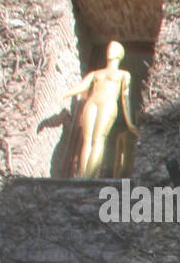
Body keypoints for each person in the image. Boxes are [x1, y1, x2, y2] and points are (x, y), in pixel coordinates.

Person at [59, 40, 138, 179]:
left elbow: (125, 98)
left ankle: (89, 176)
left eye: (114, 48)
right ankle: (83, 174)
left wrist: (129, 122)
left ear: (120, 54)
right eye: (109, 48)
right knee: (87, 139)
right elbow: (83, 86)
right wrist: (65, 94)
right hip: (92, 101)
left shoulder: (123, 74)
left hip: (108, 103)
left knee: (99, 138)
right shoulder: (96, 73)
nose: (110, 50)